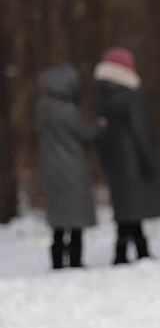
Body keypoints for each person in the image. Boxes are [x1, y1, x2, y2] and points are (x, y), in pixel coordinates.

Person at [93, 47, 160, 264]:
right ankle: (131, 252)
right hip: (132, 157)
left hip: (114, 159)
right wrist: (149, 159)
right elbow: (140, 129)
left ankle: (127, 251)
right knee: (132, 206)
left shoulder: (102, 94)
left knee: (126, 207)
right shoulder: (128, 96)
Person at [35, 64, 103, 270]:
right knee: (75, 217)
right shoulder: (67, 110)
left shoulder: (42, 107)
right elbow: (84, 133)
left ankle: (57, 259)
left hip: (50, 167)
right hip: (72, 167)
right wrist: (99, 125)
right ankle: (74, 259)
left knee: (58, 217)